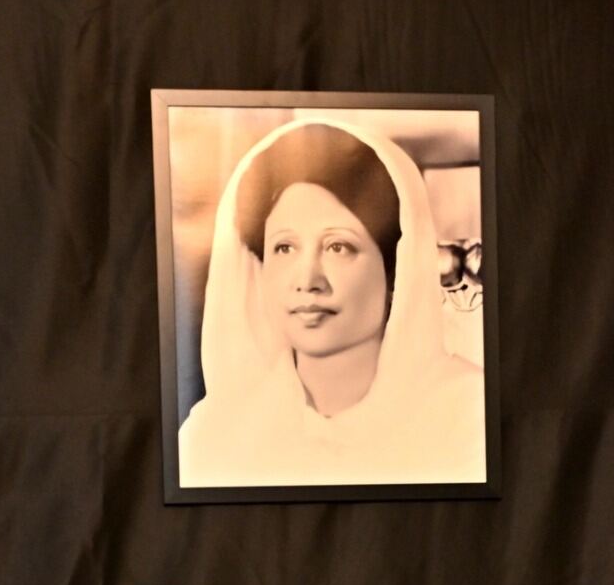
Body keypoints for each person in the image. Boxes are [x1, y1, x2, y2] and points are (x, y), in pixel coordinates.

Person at [178, 117, 485, 488]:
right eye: (284, 247)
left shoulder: (468, 416)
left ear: (397, 266)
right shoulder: (215, 435)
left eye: (339, 247)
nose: (307, 281)